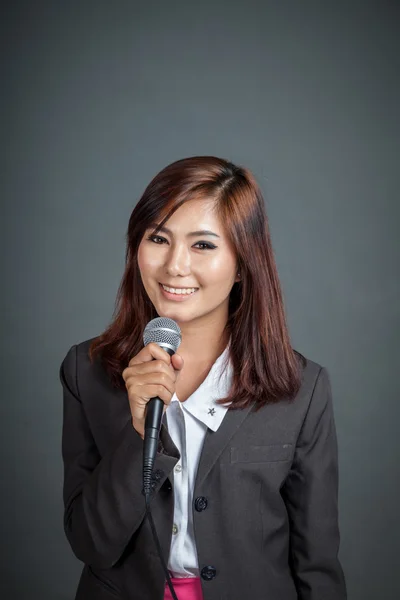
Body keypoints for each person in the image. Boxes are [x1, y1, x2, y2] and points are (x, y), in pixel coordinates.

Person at [59, 156, 347, 600]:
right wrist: (139, 436)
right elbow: (90, 543)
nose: (174, 266)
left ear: (243, 261)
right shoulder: (87, 370)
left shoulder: (302, 389)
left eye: (203, 245)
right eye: (159, 238)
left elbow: (317, 564)